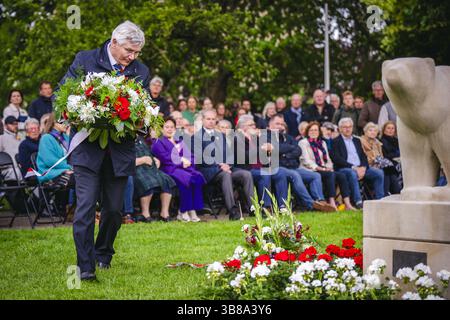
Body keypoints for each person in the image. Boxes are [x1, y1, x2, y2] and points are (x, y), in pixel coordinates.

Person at [61, 21, 150, 281]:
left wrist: (140, 119)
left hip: (119, 151)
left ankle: (103, 253)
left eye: (136, 53)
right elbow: (63, 94)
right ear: (113, 42)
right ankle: (85, 267)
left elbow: (143, 107)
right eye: (128, 51)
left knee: (113, 210)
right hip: (87, 150)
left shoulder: (140, 71)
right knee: (86, 207)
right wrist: (75, 112)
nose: (132, 58)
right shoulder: (85, 59)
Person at [192, 109, 254, 220]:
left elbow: (229, 154)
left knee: (246, 174)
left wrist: (227, 165)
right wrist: (220, 165)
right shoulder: (196, 137)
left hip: (226, 169)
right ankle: (232, 210)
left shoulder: (220, 135)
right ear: (203, 120)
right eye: (208, 119)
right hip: (209, 171)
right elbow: (200, 158)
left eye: (213, 119)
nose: (211, 121)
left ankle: (253, 208)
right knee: (225, 175)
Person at [268, 115, 335, 212]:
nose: (280, 126)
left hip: (293, 168)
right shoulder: (266, 136)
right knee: (295, 174)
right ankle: (311, 204)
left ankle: (321, 201)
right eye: (277, 123)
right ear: (270, 125)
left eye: (282, 124)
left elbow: (298, 150)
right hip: (277, 168)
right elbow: (279, 149)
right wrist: (287, 149)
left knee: (315, 176)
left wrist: (284, 154)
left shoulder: (287, 137)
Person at [152, 117, 206, 222]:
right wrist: (182, 162)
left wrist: (189, 162)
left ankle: (192, 209)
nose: (169, 129)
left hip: (183, 168)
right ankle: (183, 211)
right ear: (161, 129)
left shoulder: (179, 142)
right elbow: (165, 158)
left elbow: (190, 155)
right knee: (186, 179)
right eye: (166, 127)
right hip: (169, 169)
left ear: (175, 129)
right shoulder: (158, 142)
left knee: (197, 176)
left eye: (172, 127)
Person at [235, 116, 289, 210]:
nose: (254, 127)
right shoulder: (237, 138)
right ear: (243, 127)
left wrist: (268, 148)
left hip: (262, 167)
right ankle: (266, 206)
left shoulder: (257, 138)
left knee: (280, 172)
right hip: (247, 169)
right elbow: (245, 157)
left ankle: (282, 205)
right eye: (251, 125)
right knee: (265, 174)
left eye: (254, 125)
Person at [299, 122, 356, 210]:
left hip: (323, 168)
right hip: (310, 169)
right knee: (331, 175)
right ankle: (332, 202)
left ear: (319, 132)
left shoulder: (322, 143)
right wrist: (319, 168)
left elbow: (328, 159)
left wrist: (329, 167)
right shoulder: (303, 142)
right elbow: (306, 160)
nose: (313, 132)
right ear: (307, 132)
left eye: (316, 130)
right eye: (311, 130)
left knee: (341, 175)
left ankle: (348, 204)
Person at [331, 118, 385, 208]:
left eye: (350, 127)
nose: (348, 129)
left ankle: (380, 199)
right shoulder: (335, 141)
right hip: (345, 168)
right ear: (340, 129)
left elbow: (363, 156)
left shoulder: (356, 140)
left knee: (378, 173)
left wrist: (363, 167)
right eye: (345, 127)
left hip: (361, 168)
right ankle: (358, 201)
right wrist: (354, 167)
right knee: (352, 173)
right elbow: (337, 159)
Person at [36, 113, 74, 217]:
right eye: (62, 121)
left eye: (66, 121)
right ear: (54, 123)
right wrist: (68, 168)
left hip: (64, 171)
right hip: (50, 173)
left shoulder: (65, 137)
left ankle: (73, 210)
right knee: (79, 179)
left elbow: (72, 155)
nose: (66, 124)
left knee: (85, 177)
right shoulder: (46, 138)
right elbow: (50, 161)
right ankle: (72, 210)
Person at [134, 133, 175, 222]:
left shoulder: (141, 138)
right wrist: (142, 160)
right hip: (136, 170)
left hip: (150, 168)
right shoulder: (125, 141)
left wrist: (156, 160)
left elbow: (150, 153)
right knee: (148, 182)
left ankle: (164, 213)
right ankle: (145, 214)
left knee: (166, 180)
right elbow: (125, 161)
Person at [361, 122, 401, 196]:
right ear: (365, 132)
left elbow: (381, 156)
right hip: (368, 165)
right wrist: (375, 161)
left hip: (379, 164)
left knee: (389, 168)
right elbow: (363, 157)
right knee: (385, 169)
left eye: (375, 131)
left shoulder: (377, 143)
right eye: (370, 130)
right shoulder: (361, 141)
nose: (373, 132)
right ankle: (383, 195)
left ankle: (396, 192)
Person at [380, 121, 402, 191]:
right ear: (384, 130)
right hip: (389, 162)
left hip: (400, 160)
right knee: (390, 168)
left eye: (392, 128)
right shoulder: (381, 141)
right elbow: (384, 155)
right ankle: (395, 190)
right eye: (388, 128)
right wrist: (397, 155)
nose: (390, 130)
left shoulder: (397, 140)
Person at [0, 116, 23, 181]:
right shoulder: (2, 137)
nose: (15, 126)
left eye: (16, 124)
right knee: (18, 172)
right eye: (12, 124)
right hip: (8, 168)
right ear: (6, 125)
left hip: (20, 167)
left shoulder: (20, 137)